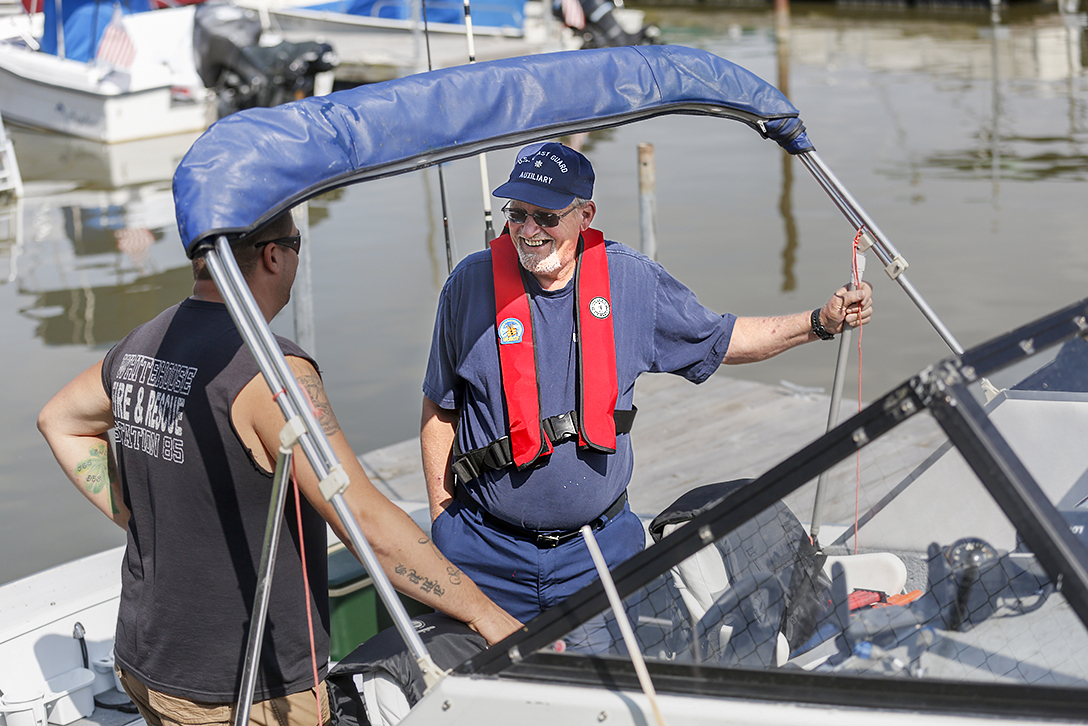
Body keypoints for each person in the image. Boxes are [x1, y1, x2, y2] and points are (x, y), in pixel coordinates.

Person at [38, 212, 520, 726]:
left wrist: (141, 519)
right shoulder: (270, 373)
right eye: (296, 244)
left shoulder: (142, 346)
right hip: (244, 686)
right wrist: (487, 615)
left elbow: (59, 422)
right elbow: (364, 522)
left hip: (145, 660)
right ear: (274, 255)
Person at [421, 142, 873, 626]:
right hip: (484, 552)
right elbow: (439, 411)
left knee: (611, 690)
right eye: (517, 214)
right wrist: (442, 521)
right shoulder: (467, 287)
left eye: (546, 217)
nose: (529, 231)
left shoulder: (632, 282)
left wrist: (818, 323)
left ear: (585, 214)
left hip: (597, 555)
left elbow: (721, 338)